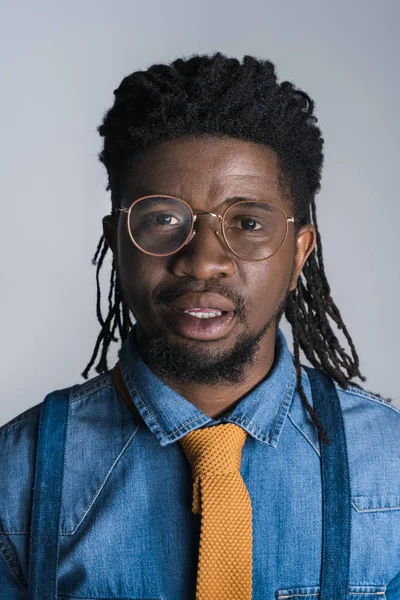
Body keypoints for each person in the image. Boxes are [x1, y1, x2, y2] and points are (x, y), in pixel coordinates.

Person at [1, 53, 399, 600]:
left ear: (300, 252)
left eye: (248, 222)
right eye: (163, 218)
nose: (203, 260)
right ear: (116, 240)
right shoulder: (15, 475)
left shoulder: (391, 466)